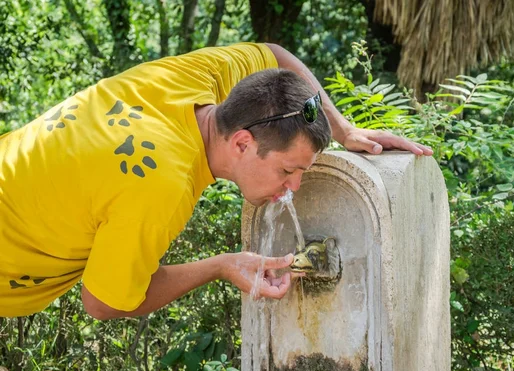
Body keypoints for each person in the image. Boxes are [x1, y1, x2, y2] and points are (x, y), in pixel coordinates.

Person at [0, 42, 432, 319]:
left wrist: (343, 129)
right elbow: (104, 302)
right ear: (243, 143)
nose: (294, 187)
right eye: (288, 170)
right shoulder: (161, 186)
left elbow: (276, 56)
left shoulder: (197, 80)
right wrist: (221, 266)